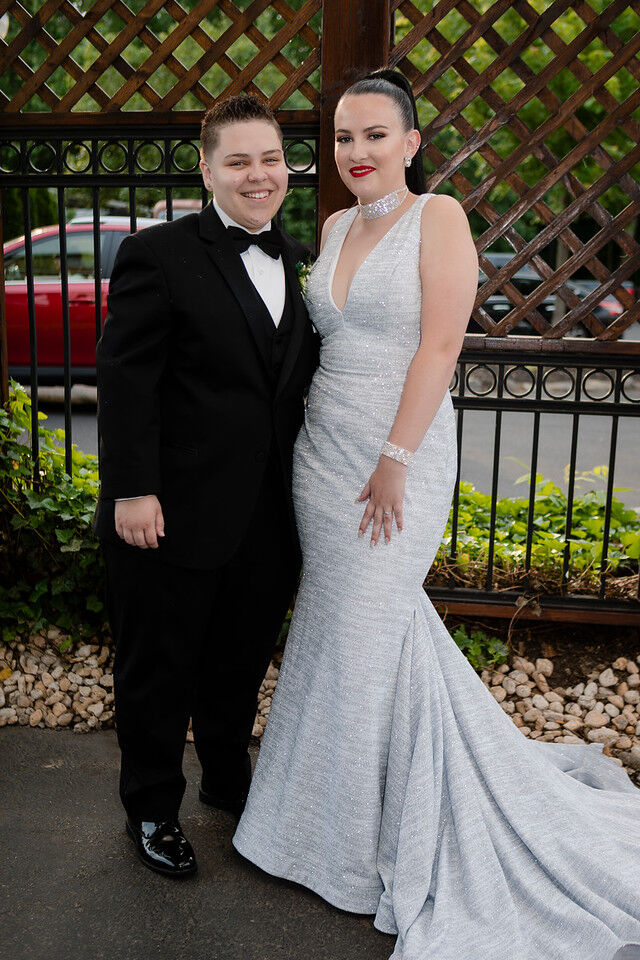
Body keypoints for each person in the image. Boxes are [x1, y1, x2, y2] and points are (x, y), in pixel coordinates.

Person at [232, 70, 640, 958]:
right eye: (344, 138)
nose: (357, 152)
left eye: (375, 135)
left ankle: (357, 848)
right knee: (342, 633)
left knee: (369, 628)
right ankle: (308, 827)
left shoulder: (438, 216)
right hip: (322, 455)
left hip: (398, 457)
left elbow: (442, 344)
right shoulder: (334, 227)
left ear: (411, 143)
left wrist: (395, 460)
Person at [93, 94, 318, 877]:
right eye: (239, 161)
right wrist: (131, 489)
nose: (259, 175)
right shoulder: (157, 253)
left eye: (270, 159)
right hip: (168, 509)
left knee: (239, 660)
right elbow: (126, 380)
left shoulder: (301, 259)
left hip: (269, 514)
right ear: (206, 170)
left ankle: (227, 778)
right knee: (158, 667)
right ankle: (152, 807)